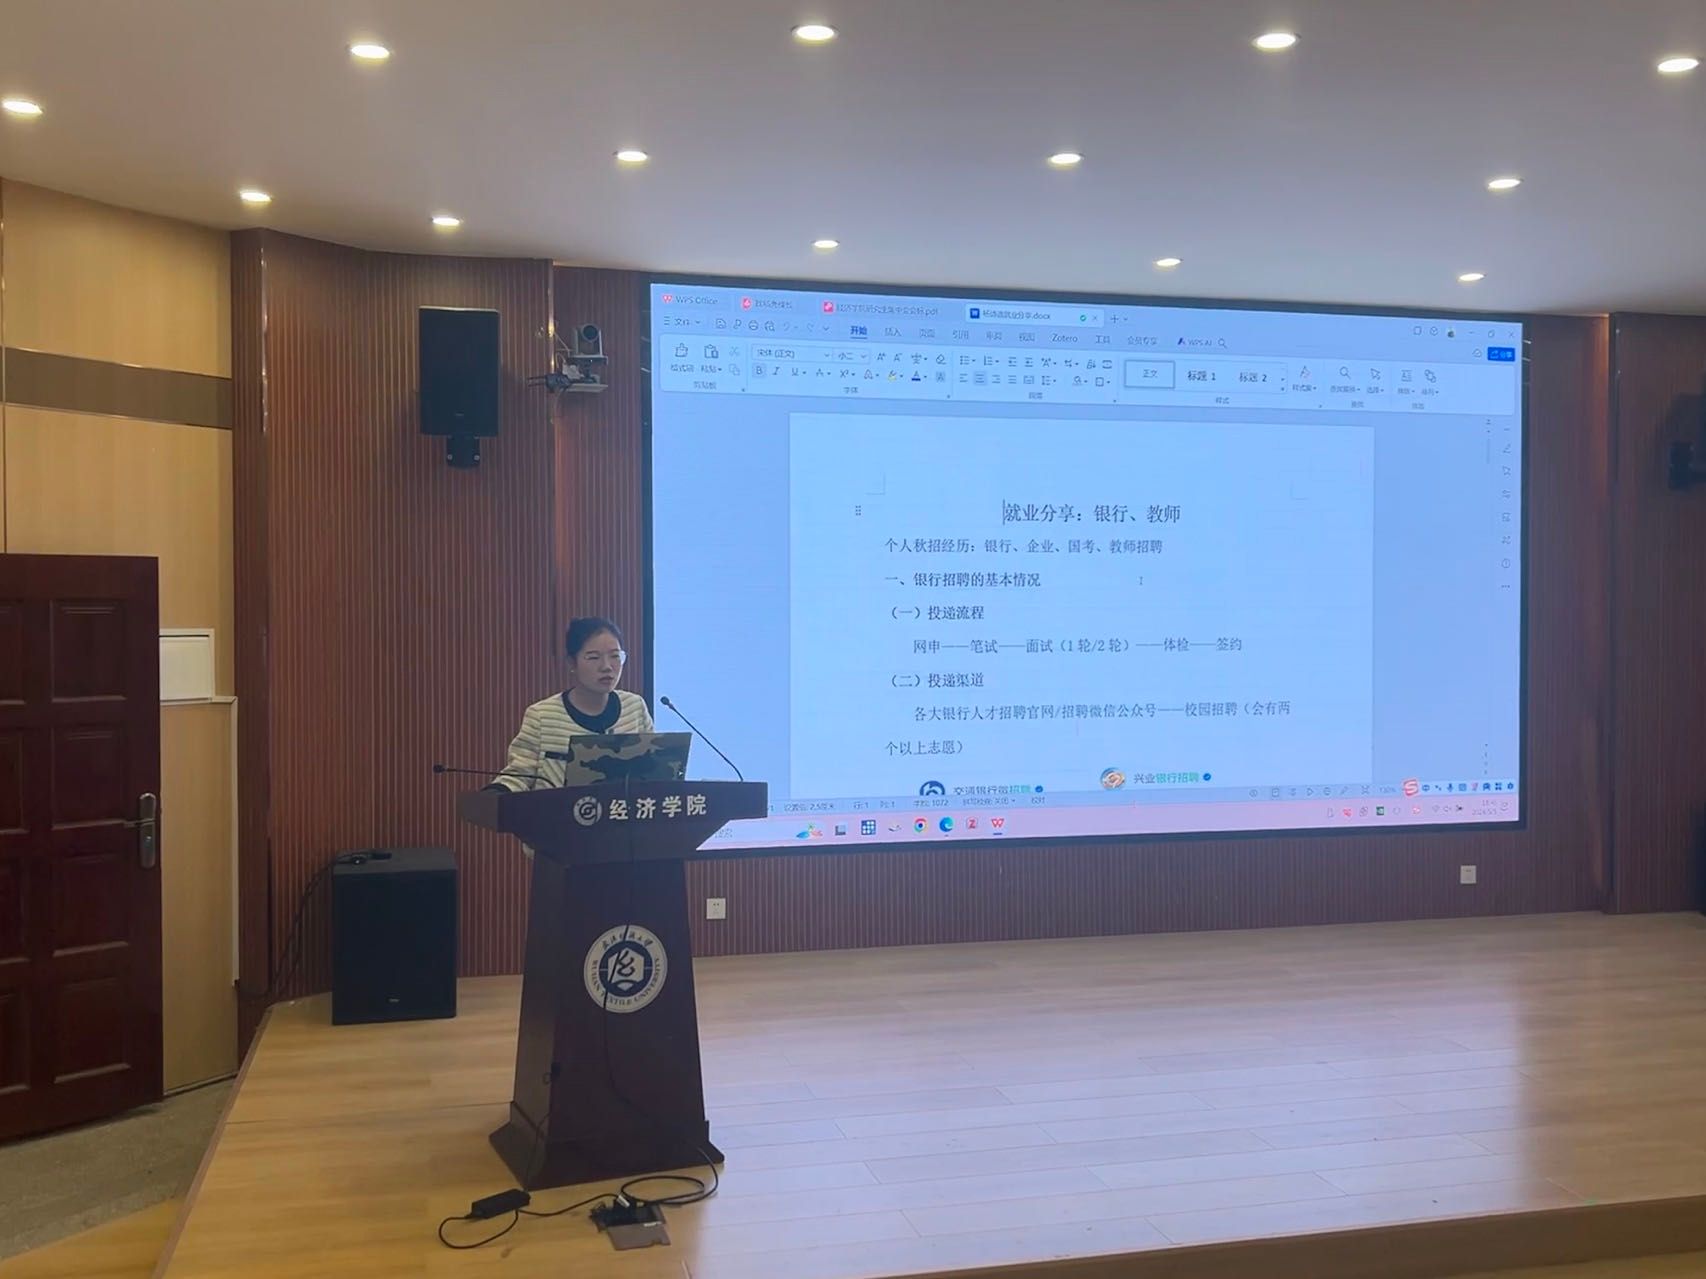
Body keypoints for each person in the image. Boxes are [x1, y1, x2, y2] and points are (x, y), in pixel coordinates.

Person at [488, 617, 653, 793]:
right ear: (572, 663)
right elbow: (518, 776)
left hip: (621, 810)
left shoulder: (634, 707)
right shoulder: (542, 716)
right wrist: (493, 794)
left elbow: (653, 767)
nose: (607, 667)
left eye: (615, 656)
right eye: (593, 657)